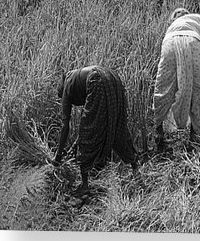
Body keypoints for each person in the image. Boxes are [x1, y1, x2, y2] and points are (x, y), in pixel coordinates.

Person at [54, 66, 138, 195]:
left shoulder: (66, 88)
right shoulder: (74, 77)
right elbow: (94, 120)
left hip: (97, 80)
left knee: (88, 132)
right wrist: (75, 145)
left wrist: (58, 157)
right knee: (117, 126)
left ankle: (85, 184)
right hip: (113, 77)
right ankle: (136, 169)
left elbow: (66, 125)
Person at [152, 8, 200, 150]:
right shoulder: (198, 18)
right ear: (187, 14)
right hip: (194, 41)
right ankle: (195, 134)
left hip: (170, 43)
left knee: (164, 87)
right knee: (199, 89)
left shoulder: (171, 27)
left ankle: (158, 129)